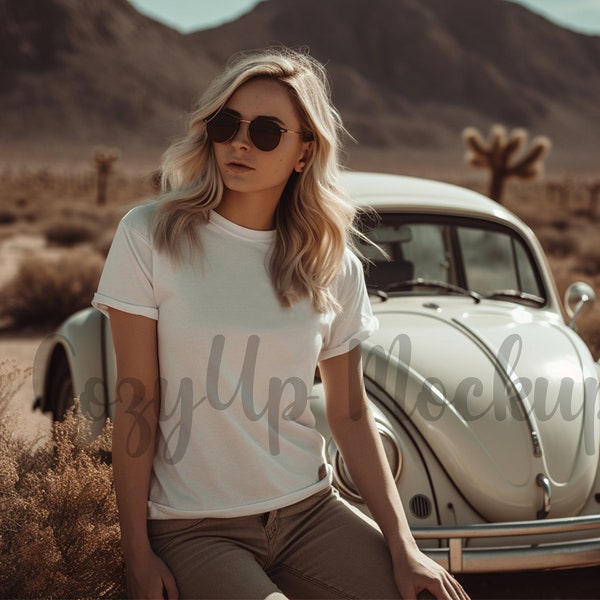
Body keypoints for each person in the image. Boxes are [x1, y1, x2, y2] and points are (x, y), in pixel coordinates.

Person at [93, 46, 469, 600]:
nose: (240, 142)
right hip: (196, 527)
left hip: (310, 512)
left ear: (303, 152)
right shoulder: (151, 235)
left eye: (267, 131)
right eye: (228, 124)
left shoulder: (329, 261)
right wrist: (136, 553)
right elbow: (136, 401)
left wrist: (404, 546)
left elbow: (348, 411)